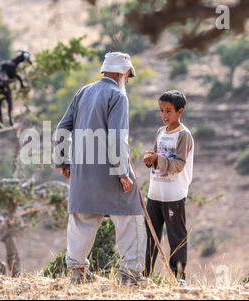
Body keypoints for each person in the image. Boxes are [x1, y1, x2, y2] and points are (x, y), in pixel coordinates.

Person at [53, 52, 147, 285]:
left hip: (82, 170)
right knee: (131, 216)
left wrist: (63, 160)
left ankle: (77, 273)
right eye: (128, 74)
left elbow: (62, 127)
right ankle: (129, 275)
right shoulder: (117, 95)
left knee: (82, 217)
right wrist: (123, 173)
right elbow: (117, 138)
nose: (128, 79)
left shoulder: (84, 91)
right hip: (109, 170)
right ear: (121, 72)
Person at [142, 90, 194, 285]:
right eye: (161, 110)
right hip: (155, 193)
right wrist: (150, 160)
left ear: (180, 111)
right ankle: (144, 275)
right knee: (150, 237)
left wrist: (157, 159)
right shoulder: (160, 132)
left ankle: (179, 279)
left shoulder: (183, 135)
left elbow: (179, 165)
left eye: (168, 111)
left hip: (174, 195)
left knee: (176, 238)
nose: (164, 115)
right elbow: (157, 159)